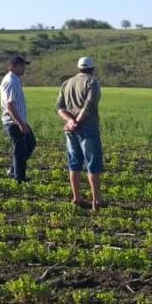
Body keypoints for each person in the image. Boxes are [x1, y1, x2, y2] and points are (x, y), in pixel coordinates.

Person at [56, 56, 104, 210]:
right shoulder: (92, 82)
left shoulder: (67, 83)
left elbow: (59, 108)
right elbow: (88, 106)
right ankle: (96, 200)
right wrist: (78, 121)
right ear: (92, 69)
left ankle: (77, 197)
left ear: (78, 68)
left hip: (70, 129)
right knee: (93, 163)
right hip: (87, 128)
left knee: (74, 163)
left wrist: (70, 122)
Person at [0, 54, 36, 183]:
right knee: (19, 148)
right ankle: (19, 178)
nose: (23, 68)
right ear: (12, 67)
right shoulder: (10, 81)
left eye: (24, 66)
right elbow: (9, 105)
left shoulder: (15, 80)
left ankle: (14, 170)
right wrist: (20, 123)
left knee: (30, 143)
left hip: (19, 120)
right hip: (13, 122)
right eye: (21, 66)